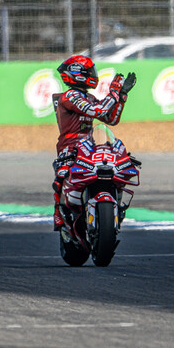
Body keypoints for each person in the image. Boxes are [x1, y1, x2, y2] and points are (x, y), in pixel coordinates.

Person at [51, 55, 136, 230]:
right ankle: (58, 213)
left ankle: (114, 204)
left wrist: (122, 95)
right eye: (89, 71)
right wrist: (114, 93)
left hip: (89, 145)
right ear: (77, 74)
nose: (93, 75)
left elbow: (110, 119)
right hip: (70, 146)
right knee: (62, 173)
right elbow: (97, 111)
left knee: (110, 167)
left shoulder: (88, 96)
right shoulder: (70, 96)